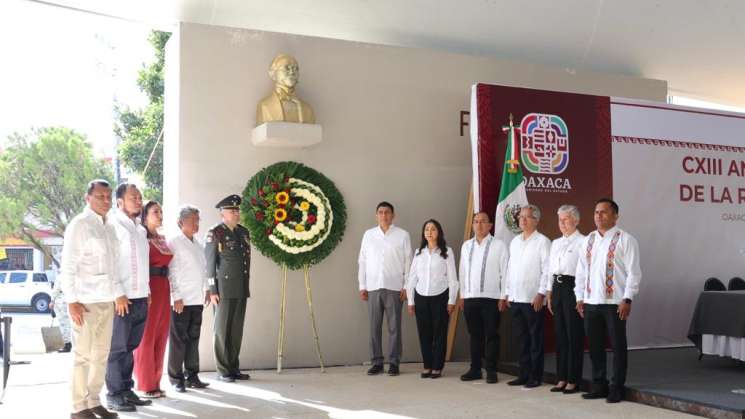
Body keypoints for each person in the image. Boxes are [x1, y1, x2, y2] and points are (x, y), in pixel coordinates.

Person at [59, 179, 128, 419]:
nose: (106, 200)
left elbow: (114, 266)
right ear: (87, 198)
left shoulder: (109, 226)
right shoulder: (80, 225)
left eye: (108, 196)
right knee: (83, 355)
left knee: (101, 354)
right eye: (100, 196)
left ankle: (94, 400)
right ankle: (78, 407)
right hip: (85, 301)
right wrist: (72, 301)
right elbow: (68, 266)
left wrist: (118, 293)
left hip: (106, 300)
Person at [575, 198, 642, 403]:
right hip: (591, 302)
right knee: (595, 347)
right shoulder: (588, 240)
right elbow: (581, 271)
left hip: (615, 303)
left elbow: (634, 272)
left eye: (604, 212)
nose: (599, 216)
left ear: (615, 216)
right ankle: (599, 385)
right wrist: (580, 297)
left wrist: (627, 298)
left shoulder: (626, 239)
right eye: (596, 212)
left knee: (618, 346)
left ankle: (617, 387)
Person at [105, 183, 152, 412]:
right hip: (123, 298)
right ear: (120, 202)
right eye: (134, 197)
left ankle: (126, 390)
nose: (139, 200)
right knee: (117, 348)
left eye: (140, 197)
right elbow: (110, 263)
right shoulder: (113, 226)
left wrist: (148, 290)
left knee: (131, 346)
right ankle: (113, 394)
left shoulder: (141, 230)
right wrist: (118, 293)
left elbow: (143, 264)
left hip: (141, 296)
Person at [358, 201, 412, 376]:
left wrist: (406, 286)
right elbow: (363, 261)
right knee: (374, 327)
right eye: (380, 212)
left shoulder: (402, 235)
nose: (384, 215)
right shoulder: (368, 235)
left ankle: (394, 362)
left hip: (395, 287)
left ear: (393, 215)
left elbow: (408, 262)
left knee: (394, 327)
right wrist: (362, 285)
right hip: (373, 286)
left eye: (387, 212)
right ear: (376, 215)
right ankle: (377, 362)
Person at [502, 204, 551, 388]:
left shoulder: (543, 241)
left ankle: (535, 376)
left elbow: (547, 270)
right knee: (521, 340)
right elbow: (510, 269)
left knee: (535, 339)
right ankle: (523, 374)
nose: (522, 220)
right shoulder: (515, 242)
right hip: (515, 298)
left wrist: (541, 293)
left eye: (527, 217)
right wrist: (507, 292)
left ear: (536, 220)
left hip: (533, 299)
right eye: (520, 216)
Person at [205, 194, 252, 382]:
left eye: (237, 210)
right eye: (232, 210)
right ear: (222, 214)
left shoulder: (243, 232)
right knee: (222, 329)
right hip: (223, 288)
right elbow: (209, 264)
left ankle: (234, 367)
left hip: (241, 285)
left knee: (236, 329)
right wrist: (212, 289)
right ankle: (223, 370)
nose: (236, 212)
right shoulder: (215, 233)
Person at [458, 211, 509, 384]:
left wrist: (503, 296)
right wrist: (462, 295)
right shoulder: (466, 246)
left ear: (490, 225)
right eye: (476, 222)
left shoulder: (499, 245)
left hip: (492, 297)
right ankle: (475, 369)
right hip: (471, 297)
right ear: (472, 225)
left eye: (483, 222)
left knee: (492, 334)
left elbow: (505, 272)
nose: (479, 225)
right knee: (474, 334)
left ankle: (492, 370)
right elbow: (463, 272)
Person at [405, 219, 458, 379]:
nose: (429, 232)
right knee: (424, 334)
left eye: (433, 229)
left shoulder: (447, 252)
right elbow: (412, 278)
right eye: (426, 229)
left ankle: (437, 367)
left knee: (440, 334)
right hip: (421, 297)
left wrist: (451, 300)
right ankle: (427, 365)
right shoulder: (418, 253)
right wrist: (410, 301)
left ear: (439, 232)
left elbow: (452, 279)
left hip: (440, 297)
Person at [167, 205, 211, 392]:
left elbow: (205, 269)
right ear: (181, 222)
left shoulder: (198, 243)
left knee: (193, 339)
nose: (196, 223)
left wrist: (207, 289)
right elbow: (172, 271)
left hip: (197, 299)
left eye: (198, 220)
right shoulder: (174, 242)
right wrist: (176, 296)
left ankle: (192, 375)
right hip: (181, 300)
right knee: (179, 340)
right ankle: (176, 378)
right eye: (193, 220)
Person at [133, 201, 173, 397]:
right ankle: (145, 383)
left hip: (164, 288)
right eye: (155, 212)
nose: (160, 215)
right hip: (149, 288)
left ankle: (156, 382)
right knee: (147, 337)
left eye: (161, 211)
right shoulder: (141, 237)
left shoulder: (162, 239)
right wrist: (145, 289)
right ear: (145, 215)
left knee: (161, 335)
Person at [546, 205, 585, 394]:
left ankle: (573, 379)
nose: (562, 223)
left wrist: (581, 296)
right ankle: (561, 377)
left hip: (573, 288)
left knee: (573, 335)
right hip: (557, 288)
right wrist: (549, 291)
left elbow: (584, 271)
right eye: (560, 219)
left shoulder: (583, 242)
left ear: (576, 221)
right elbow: (549, 270)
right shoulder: (555, 243)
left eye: (566, 219)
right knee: (560, 335)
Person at [256, 53, 315, 125]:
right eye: (286, 68)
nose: (292, 72)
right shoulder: (264, 106)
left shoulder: (308, 109)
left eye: (295, 68)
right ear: (272, 74)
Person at [50, 281, 73, 352]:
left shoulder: (61, 273)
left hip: (61, 301)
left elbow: (56, 290)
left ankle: (67, 345)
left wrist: (52, 300)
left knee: (64, 324)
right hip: (72, 300)